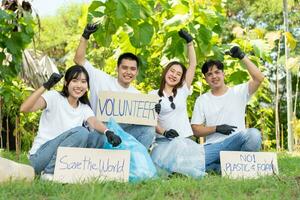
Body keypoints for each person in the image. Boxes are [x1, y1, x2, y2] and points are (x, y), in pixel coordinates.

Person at [20, 65, 122, 180]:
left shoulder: (83, 107)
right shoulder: (54, 97)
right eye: (75, 81)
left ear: (87, 86)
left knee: (99, 136)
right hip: (40, 158)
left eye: (83, 82)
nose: (79, 85)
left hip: (64, 160)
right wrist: (45, 86)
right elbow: (24, 108)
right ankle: (49, 173)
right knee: (82, 132)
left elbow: (93, 121)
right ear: (66, 83)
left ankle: (85, 171)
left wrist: (108, 132)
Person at [73, 23, 155, 149]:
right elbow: (79, 60)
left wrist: (153, 112)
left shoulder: (137, 96)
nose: (128, 72)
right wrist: (85, 37)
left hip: (122, 137)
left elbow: (140, 123)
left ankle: (133, 163)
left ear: (137, 72)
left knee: (148, 129)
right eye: (124, 68)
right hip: (98, 134)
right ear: (117, 68)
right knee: (104, 127)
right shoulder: (100, 78)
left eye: (132, 69)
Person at [191, 46, 265, 171]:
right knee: (188, 162)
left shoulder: (239, 92)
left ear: (223, 74)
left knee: (254, 134)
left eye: (217, 72)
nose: (214, 76)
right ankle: (224, 168)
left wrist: (242, 56)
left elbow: (259, 78)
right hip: (213, 146)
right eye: (209, 74)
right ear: (205, 79)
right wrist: (216, 129)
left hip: (236, 143)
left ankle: (239, 167)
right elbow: (196, 130)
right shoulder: (202, 100)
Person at [149, 29, 206, 177]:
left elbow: (193, 64)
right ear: (166, 72)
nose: (174, 75)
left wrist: (189, 42)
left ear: (181, 78)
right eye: (172, 71)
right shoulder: (153, 95)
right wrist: (164, 132)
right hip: (163, 142)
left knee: (186, 154)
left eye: (178, 74)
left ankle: (181, 170)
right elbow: (151, 121)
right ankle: (177, 170)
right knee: (158, 167)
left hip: (184, 140)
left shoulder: (182, 90)